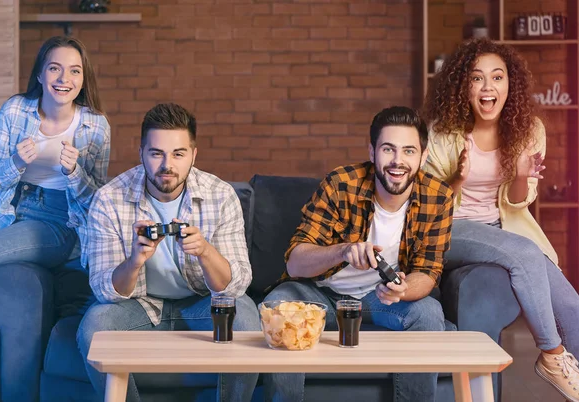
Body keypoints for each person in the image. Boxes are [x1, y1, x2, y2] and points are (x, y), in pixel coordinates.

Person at [423, 37, 579, 402]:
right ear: (464, 86)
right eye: (477, 78)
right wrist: (456, 180)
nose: (488, 87)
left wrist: (522, 174)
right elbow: (427, 205)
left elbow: (520, 200)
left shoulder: (529, 131)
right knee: (523, 254)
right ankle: (553, 358)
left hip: (505, 230)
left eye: (497, 77)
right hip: (452, 229)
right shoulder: (442, 133)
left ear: (511, 84)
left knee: (571, 306)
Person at [264, 106, 454, 402]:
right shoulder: (341, 184)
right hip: (319, 293)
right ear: (372, 151)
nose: (397, 161)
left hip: (378, 297)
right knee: (276, 305)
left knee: (429, 313)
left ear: (423, 156)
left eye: (408, 151)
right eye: (388, 149)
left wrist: (402, 291)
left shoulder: (438, 196)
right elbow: (295, 262)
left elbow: (428, 272)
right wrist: (343, 251)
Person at [77, 103, 262, 402]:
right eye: (156, 153)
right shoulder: (109, 199)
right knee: (94, 325)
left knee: (244, 318)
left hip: (202, 303)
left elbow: (236, 286)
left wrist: (204, 252)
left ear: (193, 155)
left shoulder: (221, 195)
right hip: (139, 306)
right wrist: (135, 261)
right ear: (141, 153)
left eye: (178, 154)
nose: (167, 165)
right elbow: (105, 291)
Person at [0, 36, 110, 399]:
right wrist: (16, 163)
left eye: (74, 70)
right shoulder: (15, 110)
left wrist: (73, 174)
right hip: (7, 216)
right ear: (39, 74)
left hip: (57, 222)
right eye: (54, 68)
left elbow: (95, 204)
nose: (63, 77)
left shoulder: (95, 126)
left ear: (83, 80)